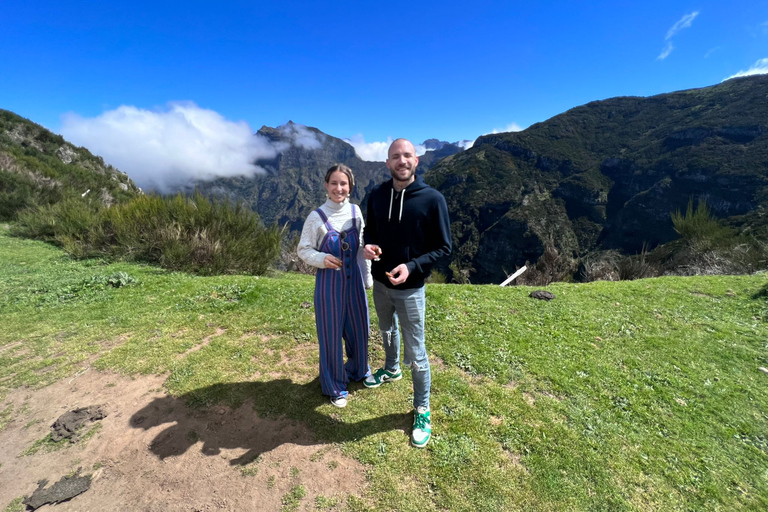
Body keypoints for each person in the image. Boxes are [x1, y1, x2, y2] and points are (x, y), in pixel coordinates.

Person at [362, 138, 452, 448]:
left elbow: (444, 247)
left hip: (411, 289)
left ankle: (422, 408)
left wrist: (412, 266)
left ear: (417, 161)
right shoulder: (376, 197)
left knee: (417, 351)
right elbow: (369, 232)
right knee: (386, 330)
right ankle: (390, 368)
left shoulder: (432, 199)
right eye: (395, 157)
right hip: (381, 284)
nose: (401, 161)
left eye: (407, 156)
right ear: (387, 163)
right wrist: (368, 247)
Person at [298, 164, 373, 408]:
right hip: (328, 285)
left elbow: (362, 248)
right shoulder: (316, 217)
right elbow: (303, 249)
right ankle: (334, 386)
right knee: (330, 334)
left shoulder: (355, 212)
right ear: (326, 185)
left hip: (355, 285)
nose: (338, 188)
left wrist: (367, 277)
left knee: (359, 329)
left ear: (350, 186)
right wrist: (321, 259)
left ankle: (358, 370)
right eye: (334, 183)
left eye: (343, 183)